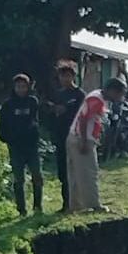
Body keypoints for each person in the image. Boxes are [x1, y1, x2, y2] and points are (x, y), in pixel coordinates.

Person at [65, 77, 127, 212]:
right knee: (89, 172)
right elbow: (83, 119)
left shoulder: (96, 96)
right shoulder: (97, 100)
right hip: (81, 139)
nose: (119, 97)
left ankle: (76, 205)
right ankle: (93, 204)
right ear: (111, 90)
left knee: (76, 174)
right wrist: (83, 140)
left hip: (75, 137)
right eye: (119, 93)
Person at [0, 74, 42, 216]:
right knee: (19, 179)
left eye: (23, 86)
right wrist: (9, 140)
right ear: (14, 88)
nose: (21, 89)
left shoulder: (32, 101)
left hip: (32, 146)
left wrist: (35, 135)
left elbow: (36, 120)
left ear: (28, 87)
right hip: (16, 147)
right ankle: (21, 209)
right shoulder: (8, 105)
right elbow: (0, 127)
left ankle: (38, 206)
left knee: (37, 176)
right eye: (18, 87)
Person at [48, 61, 85, 212]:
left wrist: (66, 110)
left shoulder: (79, 94)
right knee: (63, 172)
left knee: (77, 170)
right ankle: (66, 203)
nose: (65, 79)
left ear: (73, 76)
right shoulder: (58, 95)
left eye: (68, 76)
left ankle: (79, 203)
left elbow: (82, 115)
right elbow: (51, 116)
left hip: (76, 135)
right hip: (61, 136)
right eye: (62, 76)